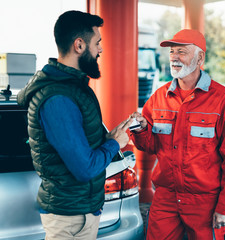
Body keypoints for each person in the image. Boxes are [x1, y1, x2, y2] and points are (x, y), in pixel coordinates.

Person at [17, 10, 131, 240]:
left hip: (79, 212)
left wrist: (113, 135)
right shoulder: (58, 98)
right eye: (97, 42)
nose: (100, 49)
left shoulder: (72, 88)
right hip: (70, 220)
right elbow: (84, 168)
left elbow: (83, 144)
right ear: (79, 45)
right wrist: (114, 144)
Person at [130, 29, 225, 240]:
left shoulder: (223, 99)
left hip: (205, 202)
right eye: (172, 52)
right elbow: (150, 145)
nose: (174, 57)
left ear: (200, 57)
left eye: (181, 52)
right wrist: (140, 129)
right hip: (166, 198)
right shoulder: (159, 97)